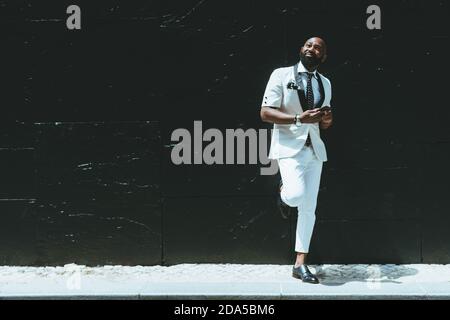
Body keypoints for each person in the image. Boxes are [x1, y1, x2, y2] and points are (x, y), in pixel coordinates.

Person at [260, 37, 333, 284]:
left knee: (309, 208)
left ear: (323, 57)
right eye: (308, 45)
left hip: (315, 150)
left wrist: (326, 120)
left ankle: (300, 263)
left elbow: (325, 122)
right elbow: (265, 112)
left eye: (318, 48)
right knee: (294, 196)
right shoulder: (280, 75)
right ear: (301, 49)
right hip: (289, 147)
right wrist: (299, 119)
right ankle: (282, 192)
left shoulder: (325, 82)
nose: (311, 49)